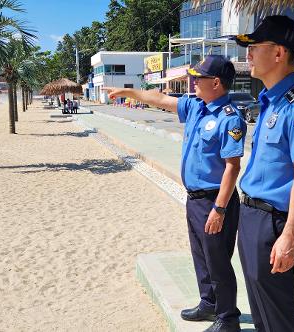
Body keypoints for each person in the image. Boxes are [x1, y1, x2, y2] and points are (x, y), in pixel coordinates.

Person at [103, 55, 246, 332]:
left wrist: (219, 209)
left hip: (216, 201)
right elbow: (160, 100)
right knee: (201, 257)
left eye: (199, 78)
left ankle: (228, 319)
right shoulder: (196, 107)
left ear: (215, 83)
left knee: (218, 262)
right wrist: (129, 92)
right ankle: (208, 304)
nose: (193, 82)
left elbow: (232, 168)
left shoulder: (230, 119)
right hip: (194, 199)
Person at [232, 15, 294, 332]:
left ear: (278, 53)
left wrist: (290, 234)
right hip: (250, 215)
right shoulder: (271, 103)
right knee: (260, 308)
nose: (248, 56)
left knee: (278, 313)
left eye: (254, 48)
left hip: (273, 222)